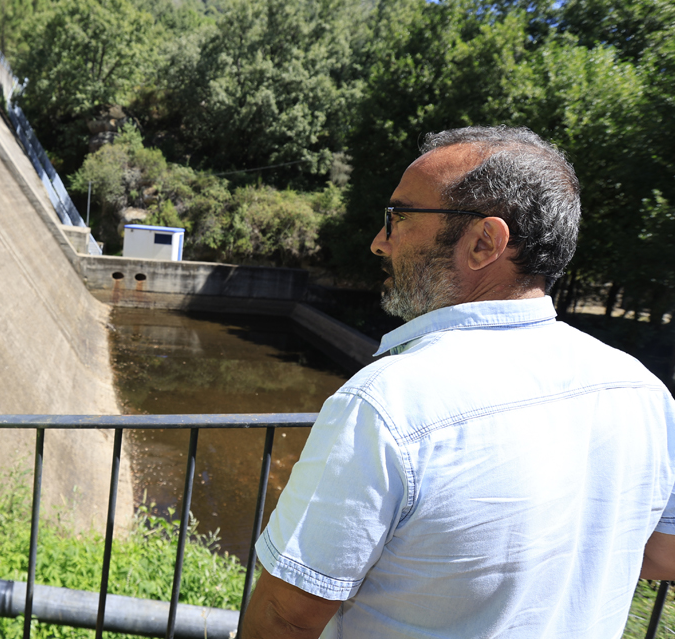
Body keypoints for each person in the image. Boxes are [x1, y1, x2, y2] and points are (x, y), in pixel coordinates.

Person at [243, 126, 675, 638]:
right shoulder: (640, 389)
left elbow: (285, 616)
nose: (380, 242)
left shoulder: (388, 402)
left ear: (484, 242)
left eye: (399, 217)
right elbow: (663, 554)